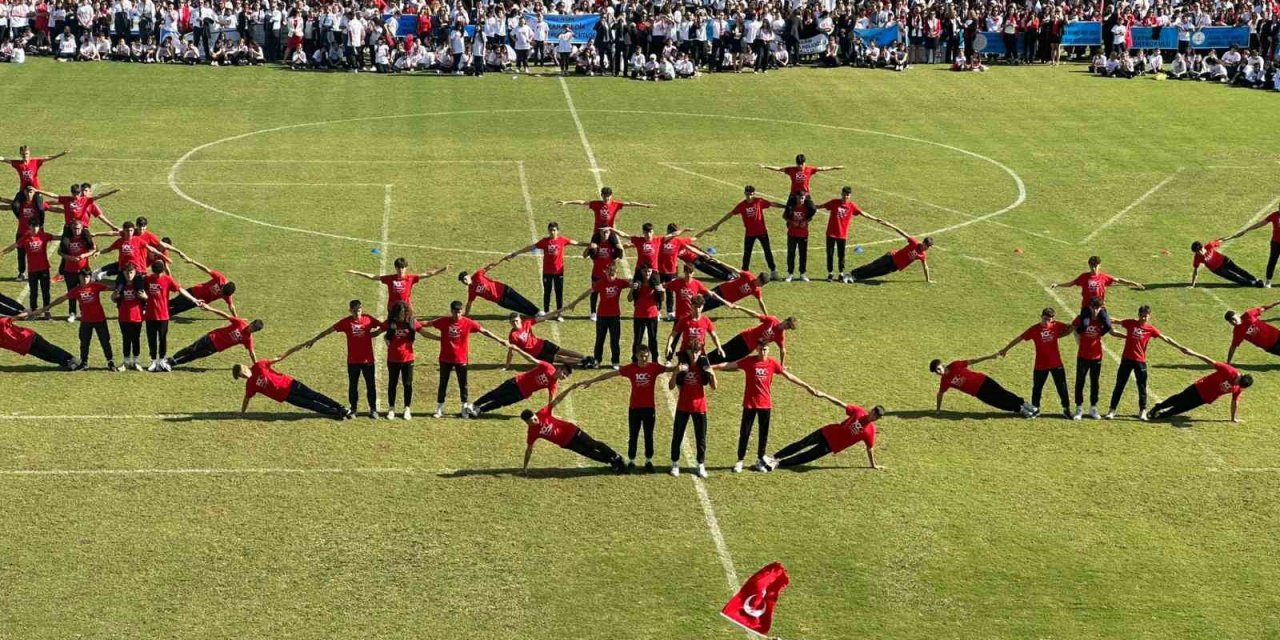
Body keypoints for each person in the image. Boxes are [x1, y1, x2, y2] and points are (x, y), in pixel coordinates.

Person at [562, 347, 673, 472]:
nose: (644, 358)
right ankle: (632, 461)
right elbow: (609, 374)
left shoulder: (654, 367)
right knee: (633, 436)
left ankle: (648, 461)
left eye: (646, 356)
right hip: (634, 409)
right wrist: (592, 380)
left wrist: (682, 366)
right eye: (642, 356)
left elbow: (670, 369)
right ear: (637, 355)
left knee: (649, 436)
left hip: (649, 409)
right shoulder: (630, 368)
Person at [715, 342, 820, 473]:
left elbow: (789, 376)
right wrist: (711, 367)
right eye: (760, 349)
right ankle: (740, 460)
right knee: (745, 433)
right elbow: (729, 365)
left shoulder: (772, 363)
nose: (763, 352)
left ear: (768, 350)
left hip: (765, 404)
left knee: (763, 434)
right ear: (756, 349)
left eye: (765, 349)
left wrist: (807, 386)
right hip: (749, 404)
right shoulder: (749, 361)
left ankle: (760, 459)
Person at [283, 299, 383, 419]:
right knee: (353, 386)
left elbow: (383, 326)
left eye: (359, 310)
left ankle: (373, 409)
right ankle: (353, 409)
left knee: (370, 385)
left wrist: (373, 334)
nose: (357, 313)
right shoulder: (346, 322)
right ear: (350, 311)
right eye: (355, 311)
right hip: (353, 361)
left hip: (368, 361)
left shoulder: (368, 319)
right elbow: (328, 331)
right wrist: (314, 340)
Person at [425, 300, 518, 418]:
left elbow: (484, 331)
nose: (457, 315)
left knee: (463, 384)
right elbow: (427, 323)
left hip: (461, 359)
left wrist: (500, 340)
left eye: (459, 312)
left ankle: (464, 408)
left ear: (462, 311)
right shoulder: (444, 321)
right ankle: (439, 409)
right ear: (451, 311)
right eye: (455, 312)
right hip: (445, 359)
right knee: (443, 383)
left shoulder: (468, 322)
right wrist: (412, 322)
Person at [1104, 304, 1184, 420]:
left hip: (1140, 361)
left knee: (1142, 387)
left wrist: (1179, 347)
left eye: (1146, 316)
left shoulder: (1150, 329)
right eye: (1142, 316)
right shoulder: (1130, 323)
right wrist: (1103, 316)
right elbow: (1116, 321)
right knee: (1119, 385)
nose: (1143, 318)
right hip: (1126, 360)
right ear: (1138, 315)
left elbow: (1165, 338)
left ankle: (1142, 411)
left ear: (1149, 316)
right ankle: (1112, 410)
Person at [765, 395, 883, 471]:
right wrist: (824, 395)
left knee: (806, 456)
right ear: (871, 410)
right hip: (826, 432)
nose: (873, 416)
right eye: (874, 413)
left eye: (876, 416)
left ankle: (779, 464)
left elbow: (869, 448)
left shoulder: (870, 431)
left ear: (877, 419)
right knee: (802, 444)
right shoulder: (859, 412)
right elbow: (841, 404)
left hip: (832, 445)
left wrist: (873, 465)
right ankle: (774, 457)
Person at [997, 307, 1073, 419]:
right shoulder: (1034, 329)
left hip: (1056, 364)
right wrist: (1005, 349)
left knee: (1062, 387)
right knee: (1037, 388)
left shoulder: (1057, 325)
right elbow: (1019, 339)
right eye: (1045, 318)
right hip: (1040, 365)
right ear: (1041, 316)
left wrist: (1060, 335)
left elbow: (1070, 327)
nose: (1046, 321)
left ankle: (1066, 409)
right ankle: (1035, 409)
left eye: (1049, 319)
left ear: (1053, 319)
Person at [495, 221, 582, 316]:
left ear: (558, 231)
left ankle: (559, 314)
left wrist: (591, 244)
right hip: (547, 272)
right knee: (547, 292)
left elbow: (576, 243)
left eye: (554, 230)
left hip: (558, 272)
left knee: (559, 293)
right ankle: (546, 313)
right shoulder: (544, 241)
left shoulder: (562, 240)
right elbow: (530, 247)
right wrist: (516, 253)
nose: (552, 232)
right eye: (550, 230)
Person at [36, 268, 115, 370]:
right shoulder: (76, 290)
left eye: (87, 277)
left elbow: (111, 288)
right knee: (84, 343)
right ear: (79, 277)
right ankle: (84, 362)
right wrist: (49, 306)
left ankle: (110, 362)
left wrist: (124, 286)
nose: (85, 279)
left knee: (105, 341)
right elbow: (62, 298)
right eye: (83, 277)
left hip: (100, 320)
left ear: (90, 277)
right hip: (86, 321)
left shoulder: (95, 286)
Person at [233, 355, 355, 420]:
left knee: (314, 396)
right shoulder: (250, 385)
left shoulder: (259, 365)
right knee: (310, 405)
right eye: (241, 376)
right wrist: (242, 413)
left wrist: (291, 351)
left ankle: (340, 407)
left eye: (242, 373)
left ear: (245, 367)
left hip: (291, 384)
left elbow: (277, 358)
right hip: (286, 396)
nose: (243, 376)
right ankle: (336, 413)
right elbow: (246, 399)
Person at [699, 185, 786, 276]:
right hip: (750, 233)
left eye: (751, 193)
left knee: (767, 251)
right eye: (747, 193)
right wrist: (717, 224)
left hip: (762, 232)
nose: (749, 195)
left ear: (754, 193)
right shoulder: (741, 205)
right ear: (745, 193)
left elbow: (772, 204)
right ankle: (744, 272)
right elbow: (730, 215)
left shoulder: (759, 201)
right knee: (747, 254)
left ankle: (773, 271)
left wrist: (785, 207)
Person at [818, 186, 899, 283]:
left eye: (847, 195)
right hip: (831, 234)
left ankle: (841, 273)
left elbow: (862, 213)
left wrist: (875, 219)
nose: (845, 197)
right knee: (830, 254)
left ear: (850, 196)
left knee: (841, 255)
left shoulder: (851, 206)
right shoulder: (834, 202)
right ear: (841, 194)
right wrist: (808, 206)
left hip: (842, 235)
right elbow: (821, 206)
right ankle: (830, 273)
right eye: (844, 194)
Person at [1148, 348, 1252, 422]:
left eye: (1238, 384)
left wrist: (1233, 418)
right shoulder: (1229, 370)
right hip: (1199, 388)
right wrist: (1194, 353)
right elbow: (1211, 362)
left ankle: (1161, 416)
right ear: (1241, 376)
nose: (1236, 384)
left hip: (1205, 398)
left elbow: (1235, 401)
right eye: (1237, 381)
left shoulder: (1239, 387)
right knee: (1179, 399)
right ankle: (1157, 408)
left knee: (1183, 408)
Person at [558, 261, 629, 369]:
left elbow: (633, 283)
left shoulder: (620, 282)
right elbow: (588, 293)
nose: (610, 274)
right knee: (600, 339)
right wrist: (575, 302)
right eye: (609, 271)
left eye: (612, 271)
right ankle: (597, 360)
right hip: (602, 316)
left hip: (614, 316)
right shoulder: (601, 283)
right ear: (605, 272)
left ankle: (615, 361)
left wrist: (636, 284)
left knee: (614, 340)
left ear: (616, 271)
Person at [1048, 255, 1144, 333]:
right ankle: (1079, 331)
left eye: (1095, 266)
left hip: (1100, 307)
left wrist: (1134, 283)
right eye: (1092, 266)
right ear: (1089, 265)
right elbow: (1071, 283)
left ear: (1099, 265)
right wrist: (1058, 285)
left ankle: (1098, 335)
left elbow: (1118, 280)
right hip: (1087, 307)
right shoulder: (1084, 277)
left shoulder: (1104, 277)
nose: (1093, 268)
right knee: (1084, 325)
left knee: (1107, 325)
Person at [519, 404, 626, 474]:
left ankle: (616, 456)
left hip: (573, 432)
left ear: (535, 414)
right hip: (567, 444)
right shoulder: (532, 432)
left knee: (593, 444)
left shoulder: (542, 413)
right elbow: (529, 450)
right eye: (531, 421)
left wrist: (569, 388)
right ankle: (611, 461)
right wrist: (525, 468)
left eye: (534, 418)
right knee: (589, 453)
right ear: (527, 423)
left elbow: (556, 400)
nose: (535, 421)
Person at [669, 338, 716, 478]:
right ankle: (675, 463)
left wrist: (712, 374)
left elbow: (714, 387)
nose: (694, 355)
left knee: (701, 438)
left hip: (699, 407)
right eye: (692, 352)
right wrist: (675, 372)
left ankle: (700, 464)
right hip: (683, 406)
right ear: (688, 352)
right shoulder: (683, 365)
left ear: (700, 352)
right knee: (677, 436)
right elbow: (671, 386)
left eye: (697, 352)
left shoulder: (703, 365)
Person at [759, 155, 844, 233]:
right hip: (794, 195)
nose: (800, 166)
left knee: (813, 208)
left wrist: (835, 167)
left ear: (805, 163)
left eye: (802, 164)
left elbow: (822, 168)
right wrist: (765, 166)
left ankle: (805, 220)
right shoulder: (791, 170)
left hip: (805, 195)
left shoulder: (809, 169)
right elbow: (779, 169)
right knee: (788, 210)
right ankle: (791, 223)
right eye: (798, 164)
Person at [163, 303, 261, 370]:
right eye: (253, 326)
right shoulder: (240, 323)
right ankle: (171, 359)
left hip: (215, 348)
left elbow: (251, 352)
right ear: (251, 323)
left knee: (194, 356)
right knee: (192, 348)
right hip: (211, 337)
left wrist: (256, 365)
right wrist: (210, 308)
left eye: (254, 329)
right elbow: (225, 315)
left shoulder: (248, 339)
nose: (252, 329)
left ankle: (173, 363)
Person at [144, 259, 201, 371]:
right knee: (151, 339)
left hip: (163, 316)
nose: (157, 275)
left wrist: (194, 299)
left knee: (162, 339)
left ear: (162, 271)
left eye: (159, 273)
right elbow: (140, 290)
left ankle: (161, 360)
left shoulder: (167, 279)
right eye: (156, 273)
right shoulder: (147, 279)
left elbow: (180, 290)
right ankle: (153, 361)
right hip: (150, 316)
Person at [931, 355, 1035, 416]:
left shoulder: (955, 365)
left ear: (943, 365)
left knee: (1003, 393)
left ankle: (1024, 404)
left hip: (984, 381)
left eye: (939, 369)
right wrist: (938, 410)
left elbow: (973, 361)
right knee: (997, 403)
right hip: (977, 392)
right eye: (936, 371)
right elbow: (940, 394)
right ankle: (1020, 410)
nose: (939, 372)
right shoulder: (944, 381)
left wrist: (990, 357)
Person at [467, 359, 571, 418]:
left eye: (566, 376)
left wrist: (551, 414)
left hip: (521, 394)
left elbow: (551, 400)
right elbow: (531, 359)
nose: (564, 376)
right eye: (564, 373)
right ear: (559, 369)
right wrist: (517, 349)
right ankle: (474, 405)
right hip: (516, 382)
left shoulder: (553, 384)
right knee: (494, 394)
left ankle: (480, 410)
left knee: (500, 403)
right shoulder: (547, 367)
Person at [346, 257, 449, 310]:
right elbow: (373, 277)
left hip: (406, 308)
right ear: (395, 268)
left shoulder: (410, 278)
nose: (401, 270)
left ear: (406, 268)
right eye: (399, 268)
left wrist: (441, 270)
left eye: (403, 267)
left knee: (411, 328)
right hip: (392, 308)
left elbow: (427, 274)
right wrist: (356, 272)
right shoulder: (390, 279)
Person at [0, 218, 54, 314]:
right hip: (32, 270)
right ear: (29, 227)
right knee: (33, 292)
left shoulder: (44, 235)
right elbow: (14, 246)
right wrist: (2, 252)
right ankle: (33, 310)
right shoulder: (25, 238)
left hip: (44, 269)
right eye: (33, 227)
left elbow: (58, 237)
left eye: (37, 227)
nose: (35, 229)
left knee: (46, 291)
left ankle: (46, 311)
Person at [848, 224, 934, 284]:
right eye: (927, 246)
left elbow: (925, 267)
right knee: (872, 266)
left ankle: (855, 278)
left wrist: (928, 280)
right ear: (923, 243)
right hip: (891, 257)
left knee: (875, 273)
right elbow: (903, 233)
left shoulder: (923, 255)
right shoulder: (914, 243)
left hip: (894, 267)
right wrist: (891, 226)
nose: (927, 248)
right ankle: (851, 273)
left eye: (928, 247)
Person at [505, 312, 593, 369]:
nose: (515, 323)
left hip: (543, 344)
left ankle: (586, 357)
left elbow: (543, 318)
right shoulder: (512, 336)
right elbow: (511, 351)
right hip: (538, 355)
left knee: (563, 351)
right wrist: (507, 366)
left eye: (516, 321)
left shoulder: (526, 323)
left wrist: (557, 311)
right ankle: (583, 362)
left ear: (520, 319)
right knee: (560, 359)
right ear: (510, 323)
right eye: (512, 322)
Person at [706, 311, 796, 366]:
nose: (786, 327)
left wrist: (781, 365)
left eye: (788, 327)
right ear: (785, 320)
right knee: (724, 348)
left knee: (729, 358)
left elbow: (783, 350)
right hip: (743, 337)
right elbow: (756, 315)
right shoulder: (772, 320)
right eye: (787, 324)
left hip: (748, 348)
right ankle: (704, 359)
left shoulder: (780, 335)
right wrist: (740, 308)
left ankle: (707, 364)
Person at [556, 186, 655, 236]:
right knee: (594, 250)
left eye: (608, 196)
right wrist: (567, 202)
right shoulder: (596, 204)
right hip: (597, 231)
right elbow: (582, 202)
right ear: (601, 195)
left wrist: (645, 205)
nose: (606, 198)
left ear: (611, 196)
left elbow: (630, 203)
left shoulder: (616, 204)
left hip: (610, 231)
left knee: (618, 249)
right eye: (604, 196)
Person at [1221, 205, 1280, 286]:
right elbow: (1260, 224)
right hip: (1276, 243)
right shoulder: (1274, 215)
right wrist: (1247, 229)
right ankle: (1268, 280)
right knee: (1272, 261)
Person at [168, 248, 237, 316]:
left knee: (177, 309)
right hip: (193, 291)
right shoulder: (220, 278)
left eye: (223, 294)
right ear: (224, 285)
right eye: (222, 291)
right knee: (174, 302)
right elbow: (206, 269)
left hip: (198, 301)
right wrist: (192, 261)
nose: (221, 293)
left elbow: (231, 306)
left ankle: (163, 317)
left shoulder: (226, 294)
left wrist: (236, 318)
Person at [0, 311, 78, 369]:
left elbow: (17, 317)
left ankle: (71, 358)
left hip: (29, 337)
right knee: (45, 356)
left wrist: (33, 312)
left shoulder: (2, 322)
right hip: (25, 348)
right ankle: (67, 364)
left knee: (50, 349)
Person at [664, 294, 730, 362]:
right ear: (691, 306)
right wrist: (668, 346)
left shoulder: (706, 320)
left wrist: (719, 347)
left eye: (699, 307)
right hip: (685, 352)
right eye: (695, 307)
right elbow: (673, 334)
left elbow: (714, 336)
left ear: (702, 306)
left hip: (700, 352)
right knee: (683, 368)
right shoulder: (684, 320)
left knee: (707, 368)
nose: (697, 309)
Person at [1071, 298, 1107, 420]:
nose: (1095, 310)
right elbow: (1072, 328)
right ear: (1089, 307)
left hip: (1097, 356)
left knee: (1094, 382)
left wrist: (1126, 336)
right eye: (1093, 308)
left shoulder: (1102, 319)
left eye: (1097, 308)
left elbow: (1111, 329)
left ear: (1101, 308)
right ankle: (1079, 407)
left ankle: (1093, 407)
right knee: (1080, 382)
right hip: (1083, 356)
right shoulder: (1081, 318)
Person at [459, 263, 540, 317]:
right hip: (501, 300)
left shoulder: (477, 275)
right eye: (463, 281)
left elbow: (488, 267)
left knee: (521, 300)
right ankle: (534, 314)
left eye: (465, 279)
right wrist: (466, 314)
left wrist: (498, 262)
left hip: (504, 289)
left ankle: (538, 311)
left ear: (468, 276)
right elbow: (469, 303)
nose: (465, 281)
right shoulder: (471, 291)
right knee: (518, 308)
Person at [56, 218, 95, 322]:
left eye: (78, 228)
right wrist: (68, 257)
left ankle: (85, 312)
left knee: (85, 293)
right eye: (74, 229)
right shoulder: (67, 238)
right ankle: (72, 313)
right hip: (70, 270)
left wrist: (84, 255)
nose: (76, 231)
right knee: (72, 293)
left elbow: (94, 249)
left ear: (82, 228)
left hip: (84, 271)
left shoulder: (86, 237)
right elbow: (59, 252)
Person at [112, 261, 147, 371]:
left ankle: (136, 362)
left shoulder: (139, 285)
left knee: (136, 339)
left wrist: (145, 297)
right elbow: (113, 298)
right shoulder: (120, 285)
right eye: (127, 272)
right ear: (123, 273)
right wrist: (114, 295)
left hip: (137, 316)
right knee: (126, 339)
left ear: (135, 272)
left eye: (131, 272)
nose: (129, 275)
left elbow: (147, 298)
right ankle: (126, 362)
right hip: (124, 316)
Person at [628, 264, 665, 362]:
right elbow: (629, 299)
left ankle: (655, 360)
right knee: (637, 340)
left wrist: (662, 291)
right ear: (641, 272)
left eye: (649, 271)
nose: (647, 273)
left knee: (653, 339)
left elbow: (662, 299)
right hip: (639, 315)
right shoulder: (638, 284)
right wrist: (632, 288)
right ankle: (635, 360)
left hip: (652, 315)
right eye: (645, 271)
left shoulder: (655, 284)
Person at [1190, 239, 1262, 288]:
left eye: (1200, 251)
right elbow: (1195, 271)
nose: (1199, 253)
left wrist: (1230, 237)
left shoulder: (1209, 245)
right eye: (1197, 252)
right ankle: (1253, 283)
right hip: (1217, 269)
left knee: (1238, 270)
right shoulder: (1197, 258)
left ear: (1202, 247)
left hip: (1224, 260)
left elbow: (1220, 240)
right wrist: (1193, 285)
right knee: (1234, 277)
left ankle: (1255, 279)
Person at [1, 146, 67, 199]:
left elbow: (49, 158)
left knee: (39, 207)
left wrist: (61, 154)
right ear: (20, 154)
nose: (25, 156)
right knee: (16, 205)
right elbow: (4, 159)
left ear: (29, 153)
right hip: (23, 189)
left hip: (36, 188)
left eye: (26, 154)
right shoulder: (17, 163)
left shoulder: (35, 162)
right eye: (23, 154)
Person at [699, 267, 770, 315]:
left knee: (704, 308)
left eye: (763, 284)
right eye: (761, 283)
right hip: (721, 289)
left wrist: (766, 315)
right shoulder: (748, 276)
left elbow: (761, 302)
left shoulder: (756, 290)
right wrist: (720, 263)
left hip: (725, 300)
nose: (761, 285)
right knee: (701, 300)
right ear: (758, 278)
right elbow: (734, 269)